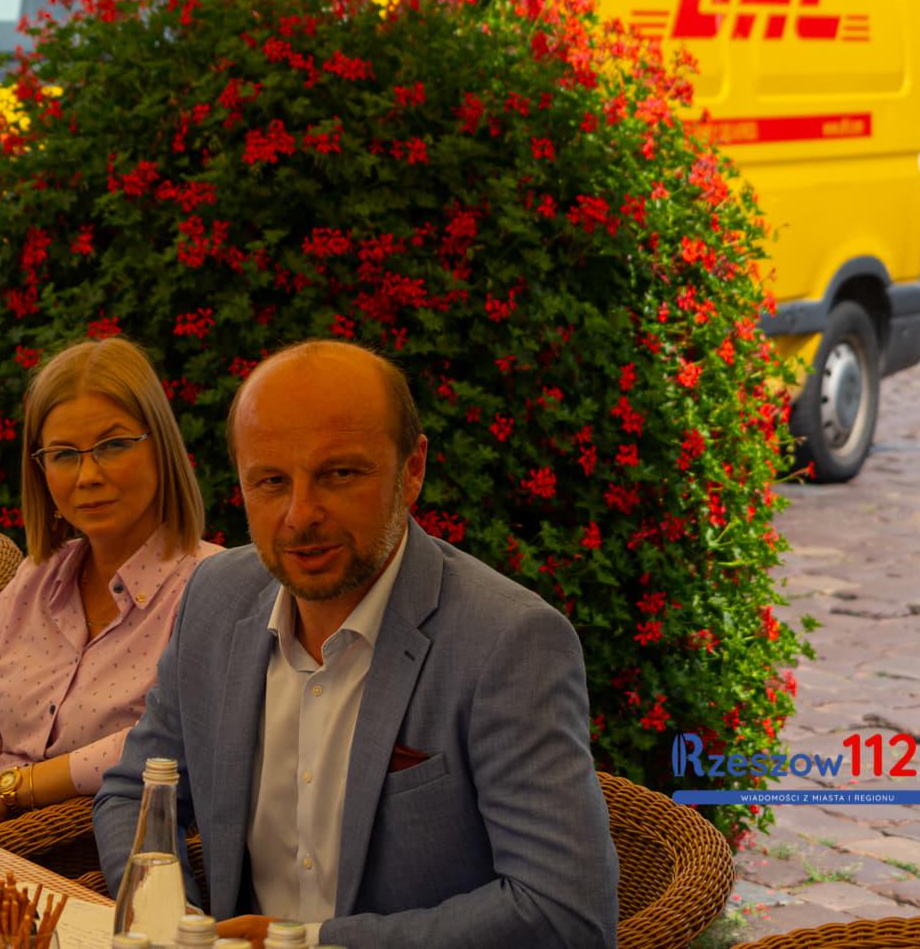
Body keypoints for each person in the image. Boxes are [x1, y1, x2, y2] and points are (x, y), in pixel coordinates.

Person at [93, 340, 618, 948]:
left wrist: (313, 943)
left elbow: (565, 912)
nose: (300, 514)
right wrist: (178, 926)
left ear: (412, 470)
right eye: (270, 481)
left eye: (339, 474)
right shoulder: (215, 599)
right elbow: (135, 793)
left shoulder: (508, 643)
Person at [0, 337, 221, 830]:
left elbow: (171, 741)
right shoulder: (32, 581)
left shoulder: (213, 588)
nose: (87, 475)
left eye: (113, 446)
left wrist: (13, 790)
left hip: (97, 857)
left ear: (161, 449)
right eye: (63, 455)